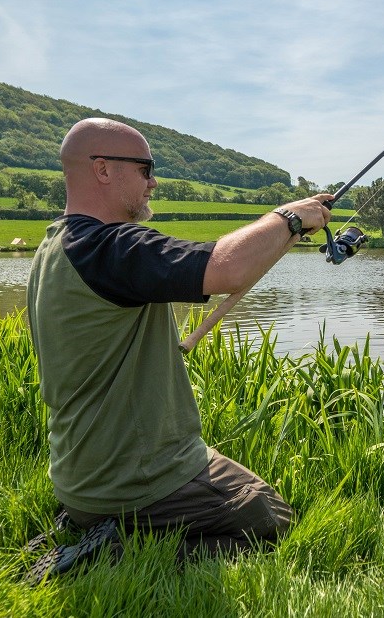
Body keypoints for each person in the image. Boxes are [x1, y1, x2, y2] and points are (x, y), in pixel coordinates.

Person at [26, 117, 332, 557]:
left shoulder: (55, 246)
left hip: (80, 475)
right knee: (270, 518)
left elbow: (218, 265)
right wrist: (287, 217)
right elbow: (226, 268)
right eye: (145, 169)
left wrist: (288, 229)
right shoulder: (112, 250)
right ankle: (115, 554)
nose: (153, 182)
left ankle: (91, 522)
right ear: (103, 169)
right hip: (133, 480)